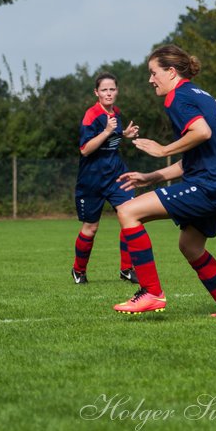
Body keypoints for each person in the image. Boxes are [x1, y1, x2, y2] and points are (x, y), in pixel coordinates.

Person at [112, 44, 216, 317]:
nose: (150, 80)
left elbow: (202, 132)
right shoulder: (200, 95)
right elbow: (194, 160)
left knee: (128, 211)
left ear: (171, 72)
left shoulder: (176, 98)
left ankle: (151, 292)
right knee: (191, 246)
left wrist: (162, 149)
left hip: (210, 183)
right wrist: (151, 177)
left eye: (153, 73)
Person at [71, 72, 140, 285]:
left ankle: (127, 269)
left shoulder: (116, 112)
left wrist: (123, 134)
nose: (108, 93)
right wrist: (108, 131)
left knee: (131, 216)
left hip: (117, 176)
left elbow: (112, 141)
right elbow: (85, 149)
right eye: (104, 90)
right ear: (96, 93)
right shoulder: (91, 116)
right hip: (92, 181)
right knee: (91, 228)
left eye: (112, 89)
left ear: (117, 91)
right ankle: (78, 270)